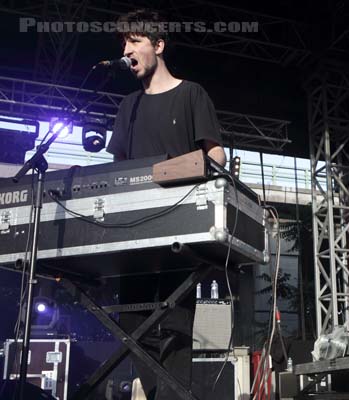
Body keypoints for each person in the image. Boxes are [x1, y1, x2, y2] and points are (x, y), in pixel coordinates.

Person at [106, 9, 226, 399]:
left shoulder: (192, 94)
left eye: (135, 41)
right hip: (135, 229)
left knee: (175, 322)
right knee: (131, 320)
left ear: (159, 45)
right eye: (124, 42)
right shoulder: (128, 106)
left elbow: (216, 156)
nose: (127, 50)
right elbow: (117, 169)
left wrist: (175, 174)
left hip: (180, 224)